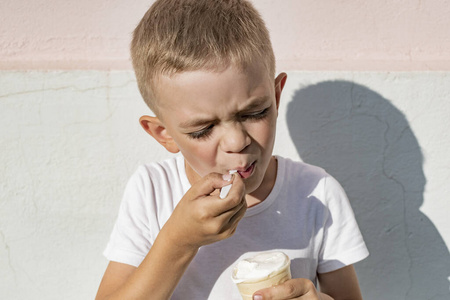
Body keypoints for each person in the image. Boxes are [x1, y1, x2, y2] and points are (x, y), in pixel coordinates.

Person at [95, 0, 369, 299]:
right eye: (203, 130)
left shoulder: (317, 194)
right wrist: (178, 241)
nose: (237, 142)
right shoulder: (153, 191)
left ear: (276, 97)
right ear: (164, 134)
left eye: (254, 113)